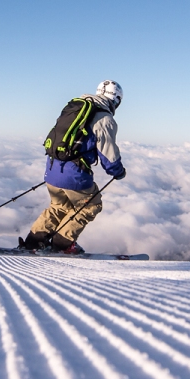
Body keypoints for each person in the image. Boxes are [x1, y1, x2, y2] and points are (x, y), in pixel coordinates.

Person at [19, 80, 126, 253]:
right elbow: (109, 157)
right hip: (74, 174)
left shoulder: (76, 108)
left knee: (59, 207)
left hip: (52, 168)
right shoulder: (104, 119)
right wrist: (119, 172)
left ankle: (33, 242)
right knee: (92, 205)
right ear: (116, 100)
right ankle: (62, 245)